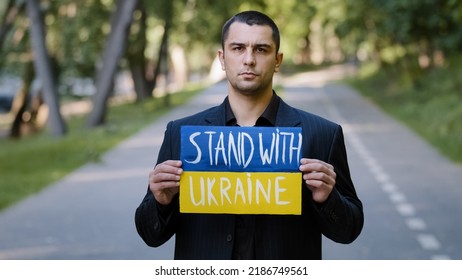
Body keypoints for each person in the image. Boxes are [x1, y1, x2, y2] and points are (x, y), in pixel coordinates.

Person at [135, 10, 364, 260]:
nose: (249, 59)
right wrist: (161, 201)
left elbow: (348, 231)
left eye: (261, 49)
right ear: (222, 58)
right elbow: (151, 236)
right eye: (238, 48)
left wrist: (327, 199)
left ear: (277, 60)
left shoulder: (321, 134)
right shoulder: (181, 134)